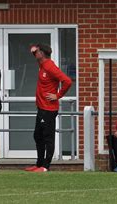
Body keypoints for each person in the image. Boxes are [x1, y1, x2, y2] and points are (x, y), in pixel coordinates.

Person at [24, 43, 72, 172]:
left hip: (49, 109)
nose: (35, 53)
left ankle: (46, 166)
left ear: (42, 53)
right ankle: (39, 164)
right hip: (41, 108)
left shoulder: (50, 66)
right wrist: (33, 49)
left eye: (37, 52)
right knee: (37, 135)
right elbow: (33, 50)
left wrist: (58, 95)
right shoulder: (42, 64)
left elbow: (67, 81)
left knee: (47, 137)